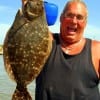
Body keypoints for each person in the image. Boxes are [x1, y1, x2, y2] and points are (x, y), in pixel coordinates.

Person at [22, 0, 100, 100]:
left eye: (80, 17)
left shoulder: (97, 50)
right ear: (61, 18)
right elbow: (32, 20)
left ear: (85, 23)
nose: (74, 21)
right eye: (69, 15)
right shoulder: (46, 41)